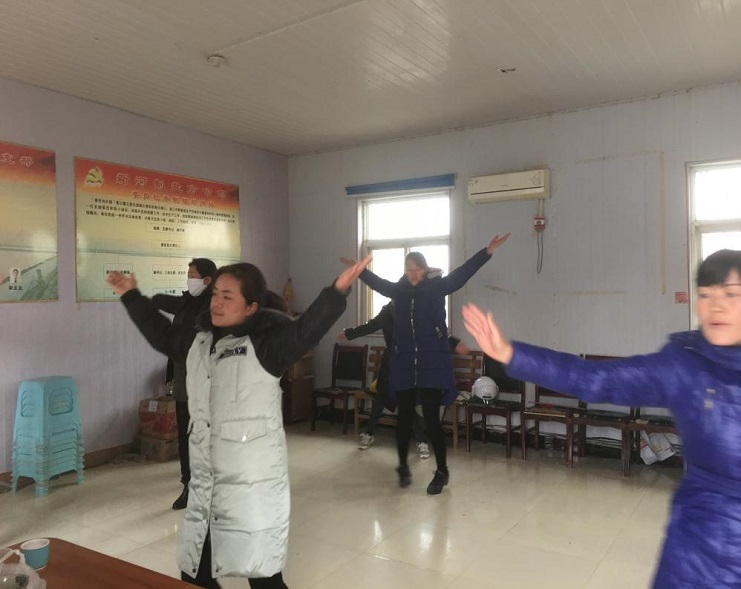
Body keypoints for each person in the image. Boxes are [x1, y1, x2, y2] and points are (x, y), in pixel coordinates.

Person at [462, 249, 741, 589]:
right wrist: (510, 354)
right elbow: (597, 378)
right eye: (706, 295)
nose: (716, 307)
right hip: (697, 551)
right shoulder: (684, 366)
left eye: (731, 294)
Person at [107, 255, 372, 589]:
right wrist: (131, 295)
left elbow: (306, 331)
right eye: (215, 294)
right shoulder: (199, 341)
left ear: (251, 307)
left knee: (261, 576)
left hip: (251, 486)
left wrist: (337, 291)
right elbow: (161, 334)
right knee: (195, 572)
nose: (216, 303)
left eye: (227, 296)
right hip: (207, 484)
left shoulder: (267, 346)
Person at [357, 233, 511, 494]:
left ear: (425, 269)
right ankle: (403, 466)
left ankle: (441, 472)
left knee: (431, 419)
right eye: (408, 270)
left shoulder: (436, 287)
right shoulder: (399, 291)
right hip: (405, 363)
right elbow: (377, 283)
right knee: (404, 418)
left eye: (417, 270)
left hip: (431, 363)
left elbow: (461, 274)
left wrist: (486, 252)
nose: (413, 274)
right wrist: (359, 270)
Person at [152, 258, 218, 510]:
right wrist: (171, 372)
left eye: (193, 275)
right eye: (188, 275)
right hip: (183, 378)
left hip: (208, 381)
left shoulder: (216, 306)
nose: (189, 279)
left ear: (207, 280)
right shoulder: (184, 305)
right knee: (185, 434)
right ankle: (188, 484)